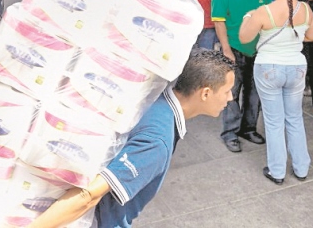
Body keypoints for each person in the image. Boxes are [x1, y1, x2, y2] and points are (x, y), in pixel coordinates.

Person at [28, 50, 236, 228]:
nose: (231, 98)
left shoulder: (158, 97)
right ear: (205, 93)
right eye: (227, 91)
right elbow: (88, 196)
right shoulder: (157, 141)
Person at [239, 0, 313, 184]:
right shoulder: (305, 9)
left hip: (269, 68)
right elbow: (312, 36)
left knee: (273, 122)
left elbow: (245, 38)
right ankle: (301, 168)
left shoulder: (264, 11)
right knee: (294, 118)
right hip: (296, 68)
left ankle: (277, 171)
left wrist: (248, 17)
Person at [211, 0, 271, 153]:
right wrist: (226, 49)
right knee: (232, 94)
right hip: (234, 47)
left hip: (257, 48)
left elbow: (268, 11)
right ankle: (230, 132)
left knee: (255, 93)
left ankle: (249, 128)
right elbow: (219, 20)